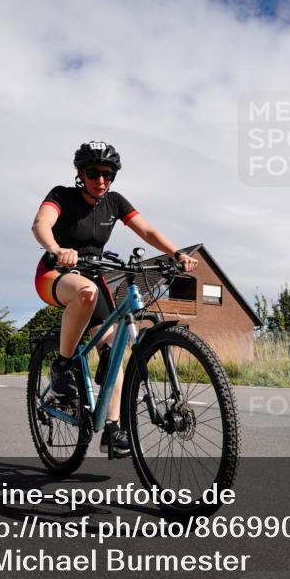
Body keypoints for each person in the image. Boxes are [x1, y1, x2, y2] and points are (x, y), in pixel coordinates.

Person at [31, 141, 198, 458]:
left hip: (95, 274)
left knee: (114, 347)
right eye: (94, 173)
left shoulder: (115, 202)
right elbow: (41, 224)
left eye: (108, 174)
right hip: (55, 273)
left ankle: (113, 428)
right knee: (86, 292)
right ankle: (62, 367)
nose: (101, 180)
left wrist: (176, 253)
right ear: (81, 173)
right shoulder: (62, 195)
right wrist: (56, 249)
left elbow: (146, 230)